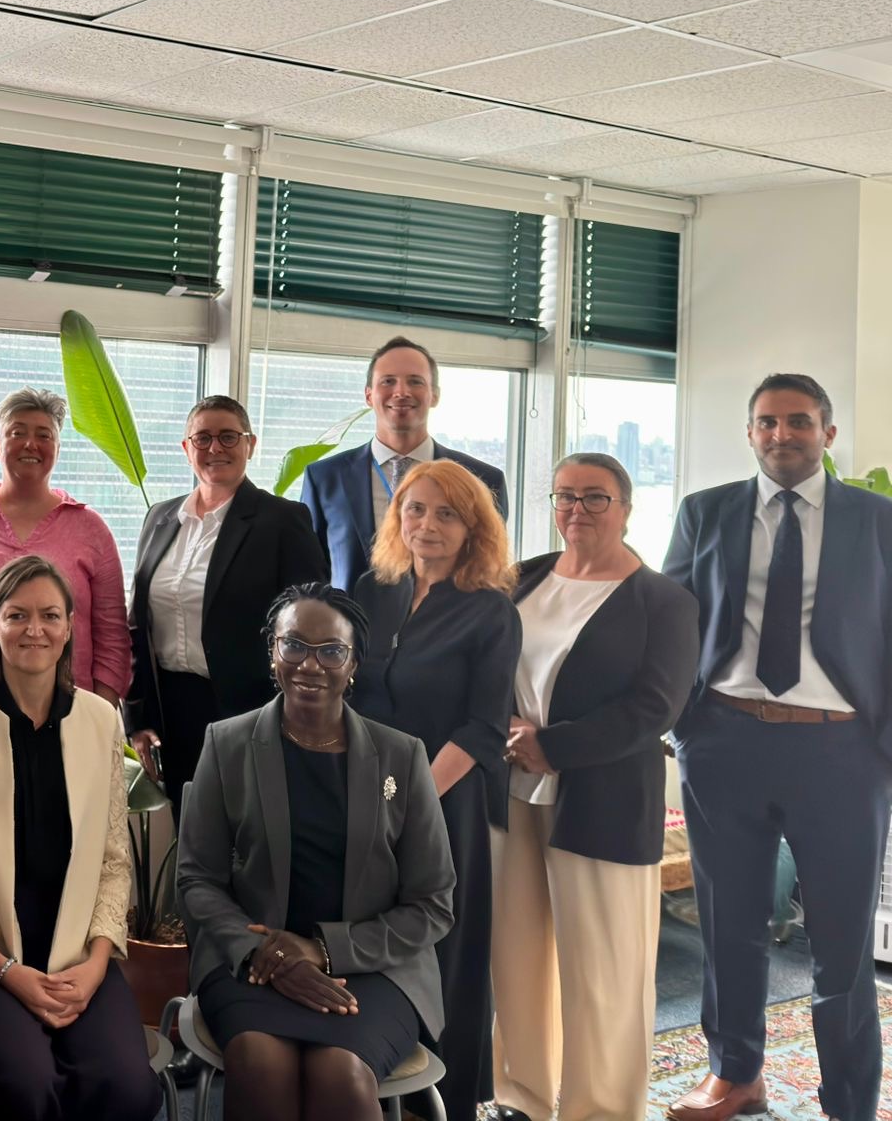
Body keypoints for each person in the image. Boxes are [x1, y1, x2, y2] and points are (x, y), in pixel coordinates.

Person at [660, 374, 892, 1121]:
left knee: (841, 938)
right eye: (766, 422)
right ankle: (737, 1075)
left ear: (827, 433)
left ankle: (849, 1100)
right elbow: (672, 622)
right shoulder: (706, 513)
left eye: (798, 422)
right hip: (725, 742)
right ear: (750, 431)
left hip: (842, 752)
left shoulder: (877, 520)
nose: (781, 435)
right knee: (728, 922)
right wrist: (683, 726)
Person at [177, 584, 454, 1120]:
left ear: (353, 664)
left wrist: (323, 951)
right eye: (294, 645)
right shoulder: (226, 743)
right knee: (261, 1063)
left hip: (374, 969)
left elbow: (433, 902)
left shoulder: (402, 755)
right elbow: (196, 879)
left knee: (340, 1073)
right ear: (273, 653)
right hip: (250, 962)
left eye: (332, 651)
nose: (311, 664)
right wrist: (269, 954)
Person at [489, 452, 697, 1121]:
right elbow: (482, 665)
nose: (577, 509)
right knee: (516, 955)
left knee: (604, 972)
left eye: (596, 498)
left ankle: (601, 1109)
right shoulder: (522, 578)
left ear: (627, 509)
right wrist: (508, 734)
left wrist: (553, 747)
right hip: (511, 792)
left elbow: (656, 707)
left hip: (604, 800)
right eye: (564, 496)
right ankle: (519, 1093)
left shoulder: (663, 600)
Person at [0, 555, 161, 1121]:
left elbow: (111, 861)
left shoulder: (102, 721)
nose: (35, 630)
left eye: (50, 616)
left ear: (70, 626)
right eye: (18, 615)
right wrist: (5, 969)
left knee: (128, 1086)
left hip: (76, 951)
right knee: (31, 1087)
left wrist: (98, 963)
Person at [350, 458, 520, 1121]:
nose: (428, 525)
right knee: (366, 939)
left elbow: (484, 727)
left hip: (443, 804)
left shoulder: (492, 611)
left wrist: (407, 798)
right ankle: (366, 1079)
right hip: (362, 794)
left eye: (447, 513)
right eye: (415, 509)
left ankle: (441, 1103)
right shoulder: (372, 588)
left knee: (443, 954)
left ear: (473, 527)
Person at [127, 395, 329, 802]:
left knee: (249, 843)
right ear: (186, 449)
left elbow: (311, 625)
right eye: (202, 438)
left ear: (250, 445)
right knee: (192, 838)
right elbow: (137, 623)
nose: (215, 448)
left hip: (250, 711)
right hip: (172, 713)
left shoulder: (282, 520)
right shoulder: (160, 519)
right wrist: (138, 716)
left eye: (228, 437)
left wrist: (296, 718)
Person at [0, 389, 129, 704]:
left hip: (69, 711)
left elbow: (113, 638)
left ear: (57, 448)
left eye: (44, 435)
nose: (31, 444)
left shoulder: (91, 529)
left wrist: (101, 717)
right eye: (18, 433)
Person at [301, 336, 509, 590]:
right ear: (369, 395)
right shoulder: (324, 478)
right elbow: (311, 575)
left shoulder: (482, 480)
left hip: (448, 626)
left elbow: (488, 567)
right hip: (348, 627)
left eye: (415, 381)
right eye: (388, 381)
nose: (401, 392)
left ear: (434, 396)